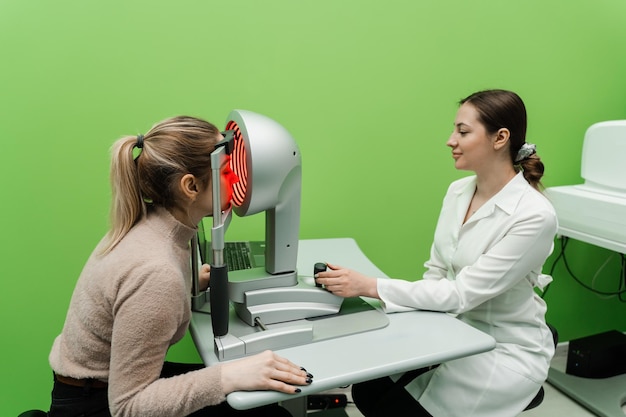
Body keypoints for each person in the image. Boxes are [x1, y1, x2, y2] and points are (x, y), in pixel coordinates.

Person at [47, 116, 313, 417]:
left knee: (257, 400)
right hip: (95, 405)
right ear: (190, 186)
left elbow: (131, 295)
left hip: (99, 384)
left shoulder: (150, 224)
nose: (239, 180)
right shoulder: (156, 273)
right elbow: (127, 406)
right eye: (228, 171)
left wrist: (187, 283)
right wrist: (228, 377)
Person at [315, 89, 558, 417]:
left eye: (463, 131)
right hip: (450, 328)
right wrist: (413, 330)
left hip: (502, 351)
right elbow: (436, 270)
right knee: (368, 388)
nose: (450, 140)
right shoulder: (458, 191)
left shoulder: (534, 215)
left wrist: (368, 286)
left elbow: (462, 293)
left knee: (395, 406)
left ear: (500, 138)